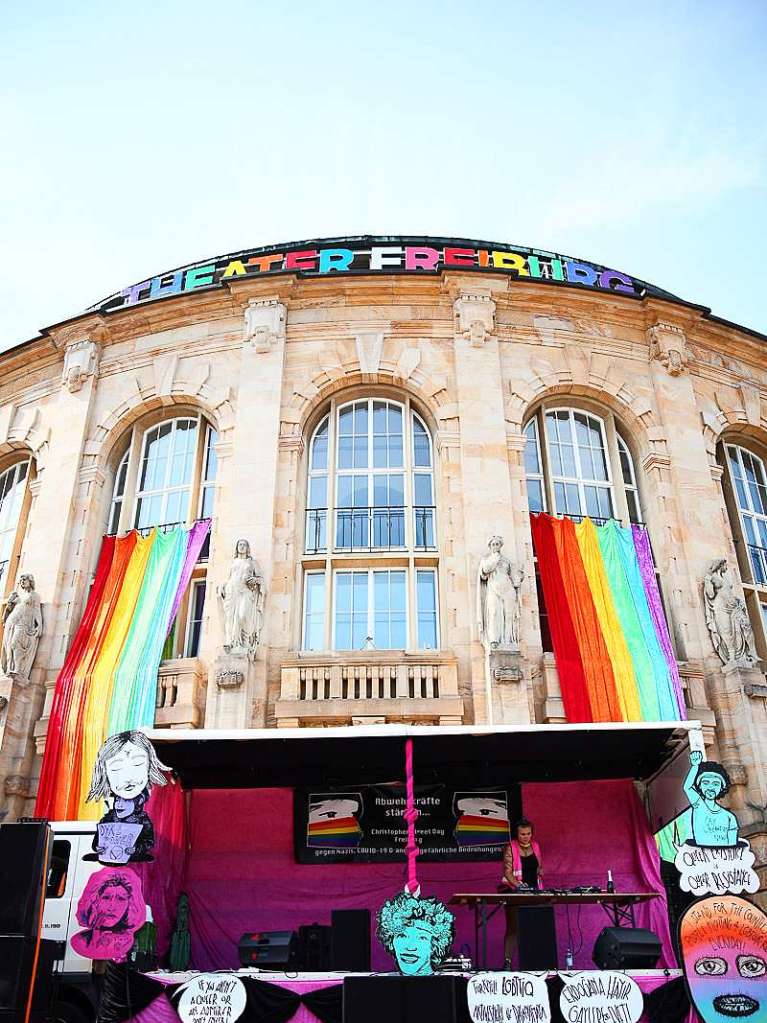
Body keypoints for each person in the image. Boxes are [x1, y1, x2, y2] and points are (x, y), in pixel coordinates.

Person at [86, 730, 168, 862]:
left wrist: (136, 849)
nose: (128, 778)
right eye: (116, 767)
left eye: (138, 764)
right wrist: (98, 848)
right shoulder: (107, 820)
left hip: (134, 867)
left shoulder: (143, 820)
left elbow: (149, 842)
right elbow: (97, 842)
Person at [71, 870, 145, 961]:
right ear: (95, 901)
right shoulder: (82, 941)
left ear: (129, 905)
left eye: (121, 899)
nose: (112, 906)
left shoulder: (126, 944)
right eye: (106, 897)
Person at [376, 891, 455, 976]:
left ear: (435, 946)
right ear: (391, 942)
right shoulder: (379, 983)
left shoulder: (445, 984)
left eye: (422, 938)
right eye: (402, 936)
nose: (410, 947)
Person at [500, 818, 543, 967]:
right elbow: (507, 872)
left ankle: (534, 963)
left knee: (534, 928)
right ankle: (507, 963)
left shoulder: (536, 846)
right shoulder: (510, 848)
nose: (526, 836)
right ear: (517, 834)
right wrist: (519, 886)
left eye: (529, 833)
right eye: (523, 834)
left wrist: (540, 871)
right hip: (514, 892)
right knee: (513, 929)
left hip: (535, 893)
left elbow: (538, 866)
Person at [683, 749, 739, 847]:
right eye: (705, 783)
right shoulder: (699, 805)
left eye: (716, 784)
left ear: (722, 787)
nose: (710, 787)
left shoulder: (729, 817)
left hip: (723, 860)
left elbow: (732, 847)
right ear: (699, 786)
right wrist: (695, 766)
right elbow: (687, 787)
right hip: (702, 858)